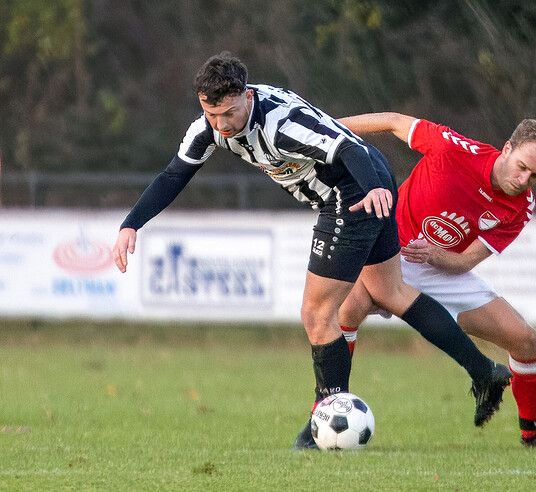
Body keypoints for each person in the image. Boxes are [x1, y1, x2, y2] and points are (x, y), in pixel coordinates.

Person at [112, 52, 512, 449]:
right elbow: (175, 174)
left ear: (247, 96)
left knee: (318, 313)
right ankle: (483, 371)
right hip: (368, 185)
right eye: (212, 114)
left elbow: (347, 147)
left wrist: (372, 187)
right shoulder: (209, 128)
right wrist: (132, 223)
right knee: (392, 292)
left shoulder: (281, 124)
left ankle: (323, 419)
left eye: (229, 114)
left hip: (353, 192)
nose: (221, 125)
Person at [331, 112, 536, 447]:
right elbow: (394, 121)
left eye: (535, 175)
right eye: (522, 166)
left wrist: (435, 256)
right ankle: (328, 405)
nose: (524, 179)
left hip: (441, 270)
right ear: (507, 148)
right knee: (346, 310)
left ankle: (533, 433)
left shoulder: (520, 206)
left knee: (526, 340)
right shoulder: (454, 150)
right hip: (389, 253)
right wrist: (328, 127)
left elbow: (467, 261)